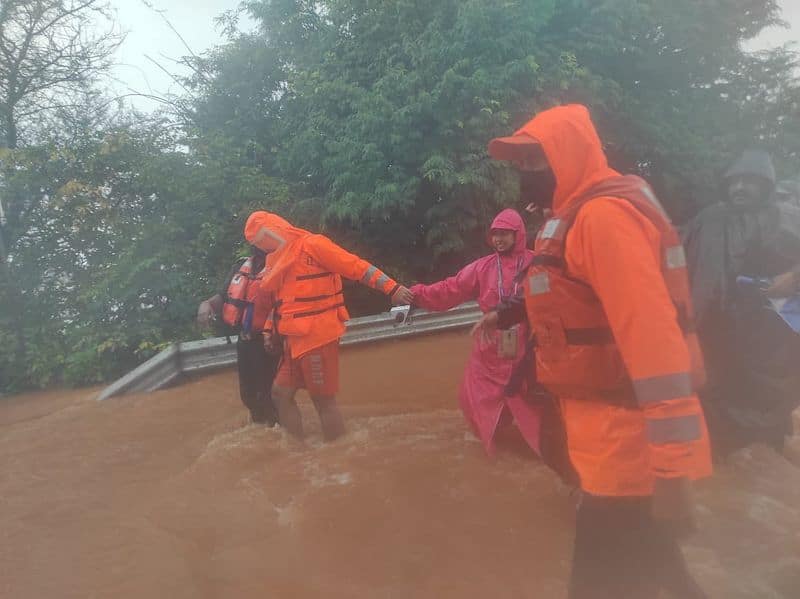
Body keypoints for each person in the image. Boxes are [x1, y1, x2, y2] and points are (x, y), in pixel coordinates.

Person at [473, 104, 712, 599]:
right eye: (519, 166)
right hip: (603, 439)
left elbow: (654, 342)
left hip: (623, 447)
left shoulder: (603, 220)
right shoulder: (575, 217)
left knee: (596, 585)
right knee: (666, 575)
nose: (524, 176)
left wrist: (672, 466)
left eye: (533, 163)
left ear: (567, 157)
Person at [244, 211, 414, 442]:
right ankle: (298, 452)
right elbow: (282, 302)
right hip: (291, 342)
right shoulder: (276, 261)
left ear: (275, 230)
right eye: (257, 243)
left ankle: (337, 453)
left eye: (262, 240)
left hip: (317, 337)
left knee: (322, 400)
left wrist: (392, 289)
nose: (262, 247)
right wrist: (268, 332)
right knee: (280, 394)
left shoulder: (313, 245)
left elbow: (356, 266)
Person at [683, 150, 800, 457]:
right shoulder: (709, 219)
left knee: (765, 401)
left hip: (765, 334)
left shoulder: (787, 219)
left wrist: (796, 275)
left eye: (750, 182)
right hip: (713, 326)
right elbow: (674, 253)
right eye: (734, 182)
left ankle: (767, 459)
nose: (740, 188)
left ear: (767, 185)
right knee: (713, 395)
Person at [409, 208, 541, 456]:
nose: (498, 239)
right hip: (489, 348)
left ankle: (543, 450)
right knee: (474, 397)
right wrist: (417, 294)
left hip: (528, 347)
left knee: (532, 400)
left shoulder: (537, 263)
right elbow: (451, 288)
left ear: (518, 235)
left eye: (504, 234)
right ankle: (498, 448)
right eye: (495, 234)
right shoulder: (483, 267)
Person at [196, 246, 281, 425]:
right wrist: (207, 304)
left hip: (270, 342)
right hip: (245, 341)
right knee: (248, 396)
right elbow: (224, 296)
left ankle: (282, 435)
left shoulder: (281, 267)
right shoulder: (241, 266)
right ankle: (263, 435)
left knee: (270, 395)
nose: (257, 248)